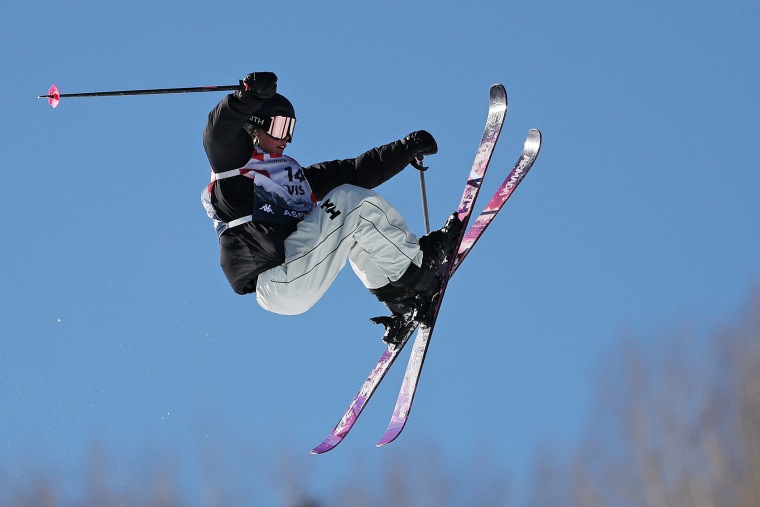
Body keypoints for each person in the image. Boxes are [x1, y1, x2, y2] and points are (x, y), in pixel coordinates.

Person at [201, 72, 461, 318]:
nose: (286, 138)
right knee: (350, 201)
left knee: (353, 218)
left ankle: (398, 295)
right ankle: (417, 271)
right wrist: (247, 97)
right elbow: (218, 132)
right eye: (280, 128)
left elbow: (355, 172)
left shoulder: (294, 179)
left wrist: (404, 150)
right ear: (252, 126)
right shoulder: (233, 167)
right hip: (276, 277)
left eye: (290, 129)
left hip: (294, 273)